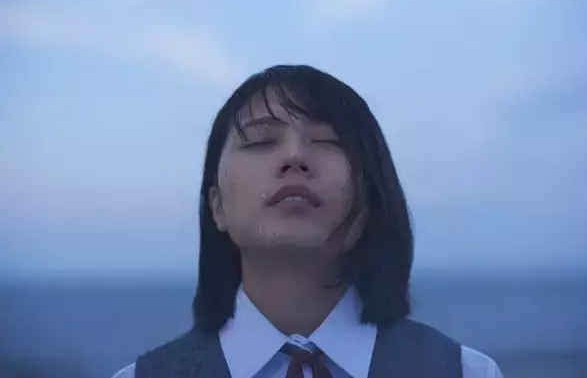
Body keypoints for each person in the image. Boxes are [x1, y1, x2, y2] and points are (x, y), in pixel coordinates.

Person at [111, 65, 503, 378]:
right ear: (217, 207)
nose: (294, 157)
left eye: (328, 141)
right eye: (261, 142)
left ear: (371, 200)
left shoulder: (467, 373)